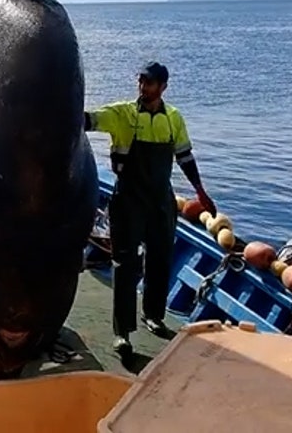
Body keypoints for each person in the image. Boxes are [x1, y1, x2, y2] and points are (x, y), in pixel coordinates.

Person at [83, 61, 217, 355]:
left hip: (160, 200)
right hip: (128, 199)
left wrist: (200, 192)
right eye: (141, 81)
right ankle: (123, 333)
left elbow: (184, 157)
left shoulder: (173, 118)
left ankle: (154, 315)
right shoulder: (122, 114)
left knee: (160, 260)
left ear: (163, 87)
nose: (143, 88)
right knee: (125, 263)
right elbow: (86, 121)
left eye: (150, 83)